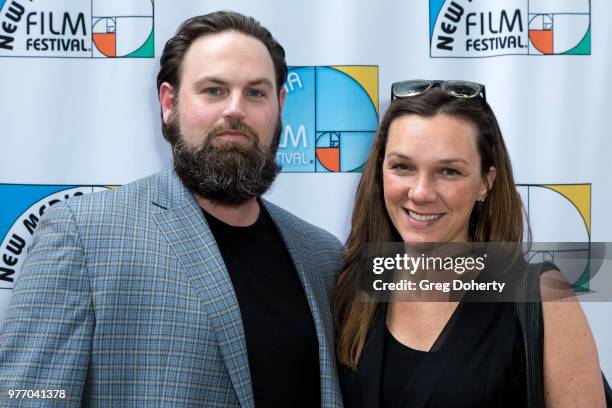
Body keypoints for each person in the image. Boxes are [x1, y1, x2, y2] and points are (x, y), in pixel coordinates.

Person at [0, 11, 343, 407]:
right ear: (169, 103)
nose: (235, 109)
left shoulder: (322, 256)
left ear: (280, 105)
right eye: (213, 90)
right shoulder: (83, 234)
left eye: (255, 93)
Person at [333, 80, 606, 407]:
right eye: (402, 167)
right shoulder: (350, 286)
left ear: (485, 183)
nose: (420, 192)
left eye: (448, 171)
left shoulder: (543, 298)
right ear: (380, 173)